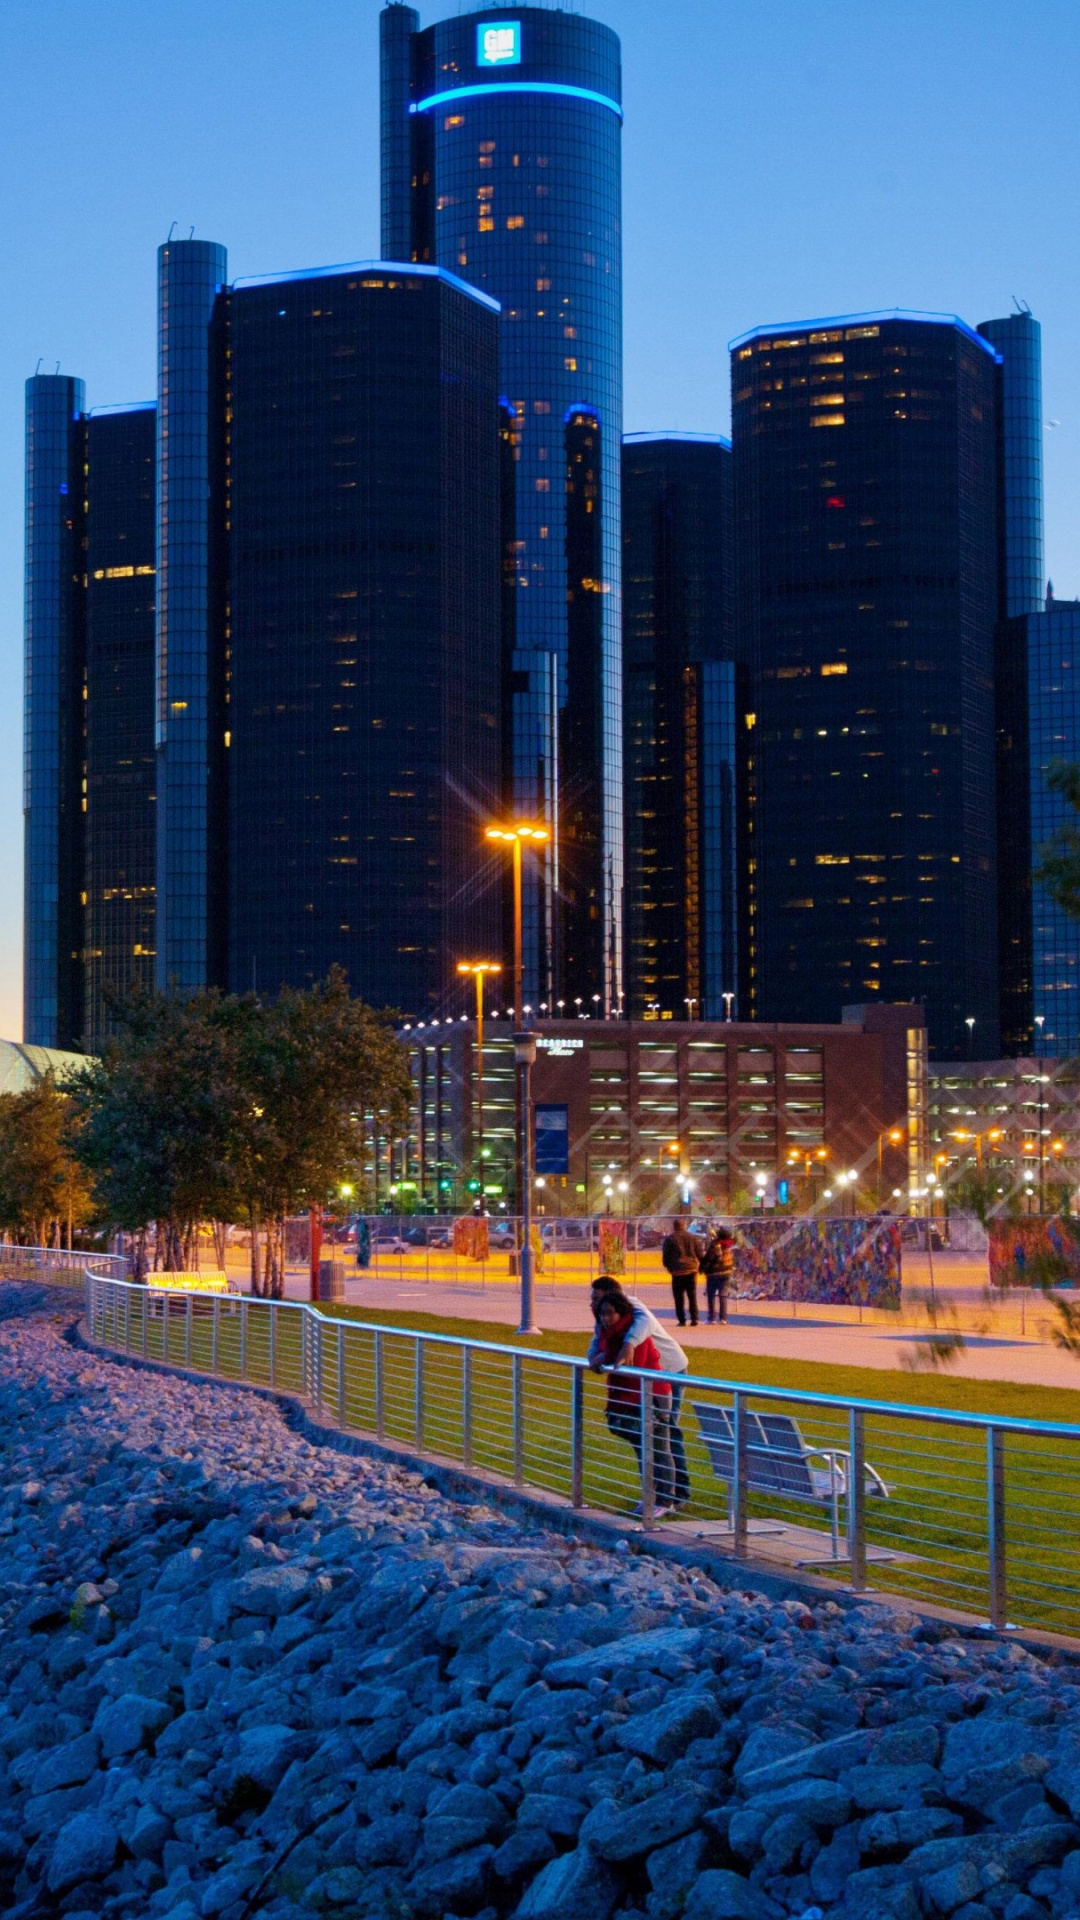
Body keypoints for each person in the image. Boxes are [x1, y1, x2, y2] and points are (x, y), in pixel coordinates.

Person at [588, 1274, 690, 1505]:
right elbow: (598, 1342)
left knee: (666, 1435)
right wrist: (593, 1358)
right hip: (648, 1381)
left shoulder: (632, 1307)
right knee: (650, 1440)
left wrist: (629, 1344)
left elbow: (645, 1325)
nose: (592, 1303)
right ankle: (656, 1495)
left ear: (612, 1297)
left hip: (669, 1372)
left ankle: (676, 1495)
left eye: (596, 1298)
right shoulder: (606, 1319)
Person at [662, 1218, 701, 1327]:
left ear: (674, 1226)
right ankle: (694, 1318)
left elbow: (666, 1255)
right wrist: (701, 1266)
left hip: (677, 1271)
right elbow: (699, 1253)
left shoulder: (670, 1239)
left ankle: (682, 1319)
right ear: (684, 1226)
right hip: (691, 1269)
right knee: (692, 1295)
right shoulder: (692, 1238)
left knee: (679, 1297)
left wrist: (668, 1266)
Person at [701, 1222, 736, 1324]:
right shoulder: (730, 1245)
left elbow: (709, 1257)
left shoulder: (716, 1245)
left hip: (714, 1273)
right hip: (727, 1272)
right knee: (723, 1295)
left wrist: (703, 1267)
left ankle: (712, 1318)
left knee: (711, 1295)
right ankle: (723, 1318)